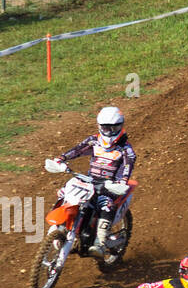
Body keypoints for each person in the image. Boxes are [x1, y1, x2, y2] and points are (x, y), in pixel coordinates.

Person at [52, 106, 136, 257]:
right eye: (105, 128)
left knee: (107, 206)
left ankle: (100, 242)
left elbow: (127, 166)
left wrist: (122, 182)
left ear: (120, 126)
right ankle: (59, 227)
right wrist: (61, 159)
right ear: (100, 126)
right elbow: (77, 149)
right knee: (65, 192)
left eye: (113, 128)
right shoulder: (94, 141)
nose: (109, 132)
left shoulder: (125, 149)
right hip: (90, 181)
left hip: (109, 186)